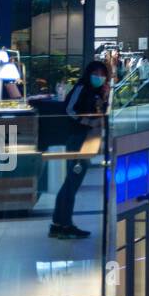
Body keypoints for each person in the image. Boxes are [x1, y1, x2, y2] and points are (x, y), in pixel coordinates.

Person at [50, 60, 110, 239]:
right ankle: (64, 224)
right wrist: (85, 121)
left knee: (71, 182)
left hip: (87, 140)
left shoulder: (96, 92)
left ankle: (59, 222)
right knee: (72, 181)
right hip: (77, 139)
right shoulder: (82, 87)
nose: (98, 77)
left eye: (102, 74)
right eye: (96, 73)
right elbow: (69, 108)